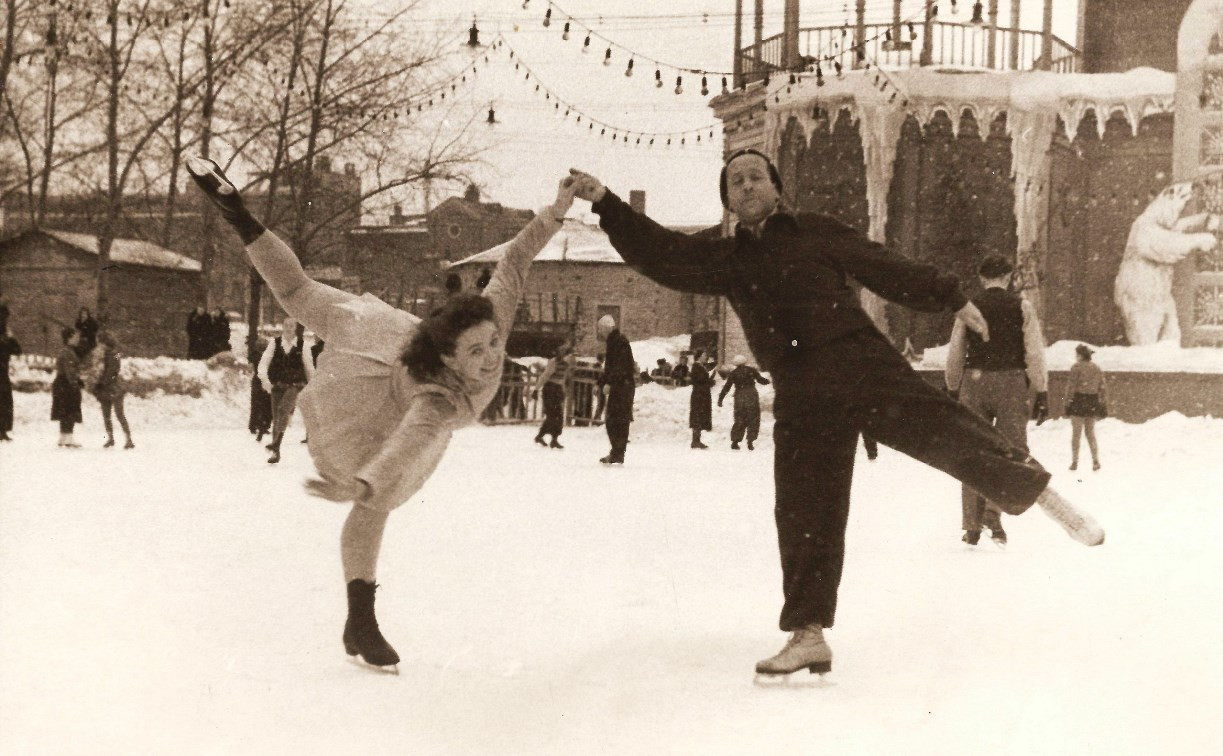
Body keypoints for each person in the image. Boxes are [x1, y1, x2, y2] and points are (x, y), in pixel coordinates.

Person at [567, 154, 1103, 679]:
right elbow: (662, 253)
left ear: (777, 189)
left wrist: (950, 296)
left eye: (756, 176)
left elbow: (880, 264)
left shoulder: (814, 231)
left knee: (945, 428)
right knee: (804, 509)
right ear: (728, 200)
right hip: (801, 388)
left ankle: (1043, 495)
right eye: (735, 181)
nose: (747, 185)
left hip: (858, 361)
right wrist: (608, 205)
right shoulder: (726, 257)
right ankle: (808, 636)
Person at [186, 155, 572, 671]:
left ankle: (238, 215)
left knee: (301, 292)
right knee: (376, 501)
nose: (490, 360)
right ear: (449, 357)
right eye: (476, 353)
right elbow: (407, 442)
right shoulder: (440, 396)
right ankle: (237, 213)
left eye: (494, 345)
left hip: (387, 331)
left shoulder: (487, 318)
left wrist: (557, 211)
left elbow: (516, 260)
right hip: (375, 397)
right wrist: (364, 484)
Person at [945, 255, 1049, 548]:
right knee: (1010, 451)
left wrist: (954, 386)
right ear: (1008, 277)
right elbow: (1034, 351)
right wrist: (1040, 389)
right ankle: (993, 510)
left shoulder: (969, 306)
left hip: (974, 381)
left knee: (972, 451)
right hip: (1010, 380)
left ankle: (971, 525)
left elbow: (957, 348)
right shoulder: (1022, 306)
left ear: (981, 278)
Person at [257, 317, 313, 464]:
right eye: (286, 325)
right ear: (283, 327)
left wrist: (313, 384)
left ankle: (275, 443)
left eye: (292, 325)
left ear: (295, 327)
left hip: (296, 384)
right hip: (278, 385)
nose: (289, 328)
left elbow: (308, 367)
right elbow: (263, 363)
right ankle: (276, 453)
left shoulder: (303, 345)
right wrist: (265, 380)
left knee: (283, 410)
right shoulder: (274, 344)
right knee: (277, 419)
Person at [596, 314, 635, 465]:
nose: (599, 332)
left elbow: (620, 366)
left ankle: (618, 453)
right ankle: (616, 452)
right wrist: (600, 383)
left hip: (623, 387)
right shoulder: (614, 342)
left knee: (617, 420)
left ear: (607, 328)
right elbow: (610, 367)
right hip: (621, 386)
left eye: (600, 329)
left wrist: (610, 383)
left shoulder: (619, 342)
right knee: (615, 420)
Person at [1066, 344, 1107, 471]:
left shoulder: (1076, 368)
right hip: (1092, 401)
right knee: (1090, 433)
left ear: (1080, 355)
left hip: (1078, 401)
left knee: (1076, 434)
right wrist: (1102, 404)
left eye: (1076, 354)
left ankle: (1074, 461)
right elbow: (1103, 388)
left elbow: (1071, 387)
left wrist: (1067, 403)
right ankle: (1095, 460)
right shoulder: (1097, 368)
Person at [90, 330, 134, 449]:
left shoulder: (114, 353)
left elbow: (113, 371)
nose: (98, 344)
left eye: (99, 342)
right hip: (108, 386)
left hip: (112, 386)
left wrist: (102, 382)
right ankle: (113, 438)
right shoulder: (106, 354)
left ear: (104, 342)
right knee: (109, 414)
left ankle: (126, 439)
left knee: (116, 413)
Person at [718, 354, 771, 450]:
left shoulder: (733, 373)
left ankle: (735, 441)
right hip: (751, 395)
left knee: (739, 418)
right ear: (745, 362)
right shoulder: (751, 370)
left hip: (739, 396)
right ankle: (750, 441)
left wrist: (720, 399)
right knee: (753, 418)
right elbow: (760, 380)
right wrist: (768, 381)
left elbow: (727, 387)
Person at [533, 342, 572, 449]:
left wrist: (563, 391)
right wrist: (536, 389)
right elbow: (545, 376)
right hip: (550, 389)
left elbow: (562, 379)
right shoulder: (554, 362)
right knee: (552, 415)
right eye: (567, 354)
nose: (569, 357)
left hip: (557, 389)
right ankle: (542, 436)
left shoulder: (566, 364)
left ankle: (553, 439)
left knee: (558, 415)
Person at [51, 327, 84, 448]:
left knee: (64, 410)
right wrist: (75, 382)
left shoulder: (67, 351)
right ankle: (68, 437)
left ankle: (63, 437)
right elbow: (70, 370)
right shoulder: (68, 352)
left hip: (61, 383)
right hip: (66, 384)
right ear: (69, 338)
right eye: (75, 337)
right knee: (70, 409)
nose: (78, 339)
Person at [688, 349, 715, 449]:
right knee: (697, 416)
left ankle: (697, 440)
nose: (706, 357)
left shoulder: (700, 367)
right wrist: (710, 381)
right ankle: (695, 441)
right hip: (699, 395)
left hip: (702, 395)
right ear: (699, 356)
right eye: (704, 356)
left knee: (699, 416)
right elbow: (699, 380)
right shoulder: (696, 366)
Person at [0, 323, 21, 441]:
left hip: (3, 376)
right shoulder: (5, 342)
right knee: (4, 404)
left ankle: (2, 431)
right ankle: (2, 430)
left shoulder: (5, 342)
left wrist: (11, 337)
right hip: (2, 376)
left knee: (4, 403)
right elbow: (17, 350)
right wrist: (11, 337)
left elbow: (17, 351)